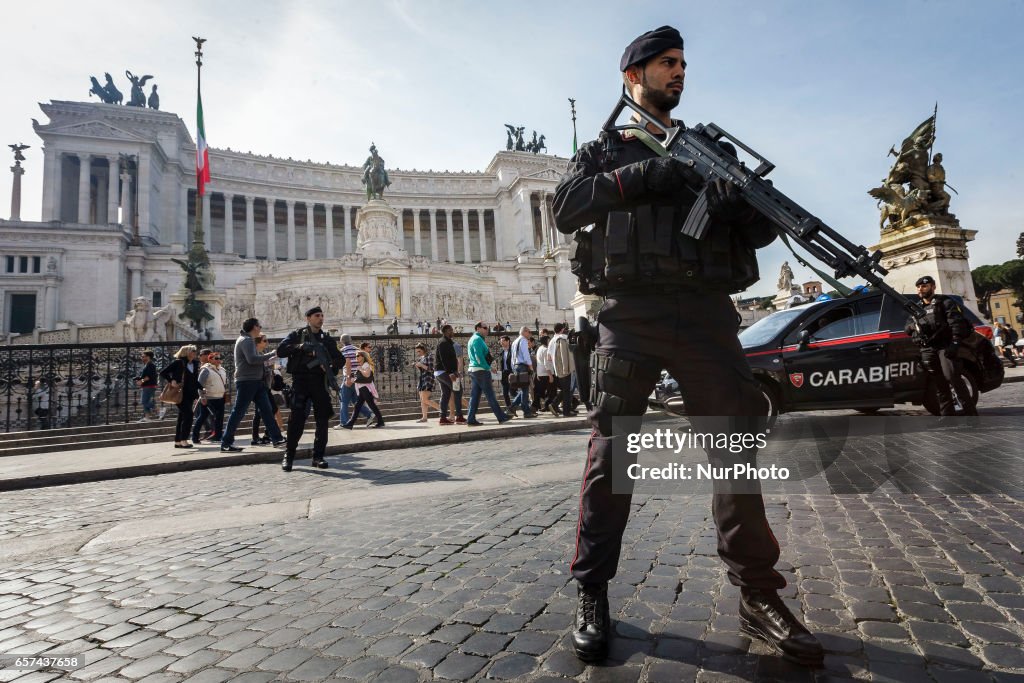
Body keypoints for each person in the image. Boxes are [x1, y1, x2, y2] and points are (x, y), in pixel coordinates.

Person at [551, 26, 821, 667]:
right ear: (632, 77)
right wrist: (646, 175)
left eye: (682, 64)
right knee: (612, 456)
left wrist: (735, 206)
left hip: (704, 312)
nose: (678, 72)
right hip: (630, 313)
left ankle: (758, 595)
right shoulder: (603, 150)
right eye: (665, 64)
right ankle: (592, 590)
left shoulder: (711, 148)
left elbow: (760, 228)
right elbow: (565, 208)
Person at [277, 306, 344, 471]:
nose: (320, 318)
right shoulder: (297, 335)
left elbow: (340, 360)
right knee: (297, 420)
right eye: (317, 315)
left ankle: (318, 456)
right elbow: (281, 350)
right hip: (301, 382)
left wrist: (329, 364)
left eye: (322, 315)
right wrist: (300, 347)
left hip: (320, 383)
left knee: (322, 421)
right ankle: (289, 455)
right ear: (308, 318)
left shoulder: (326, 339)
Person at [904, 275, 980, 418]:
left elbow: (956, 323)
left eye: (925, 286)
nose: (921, 289)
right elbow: (906, 328)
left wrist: (955, 344)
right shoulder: (916, 307)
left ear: (933, 287)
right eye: (919, 287)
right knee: (938, 383)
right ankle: (947, 415)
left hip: (945, 346)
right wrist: (914, 326)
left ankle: (970, 414)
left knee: (953, 378)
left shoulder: (944, 302)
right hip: (928, 349)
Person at [221, 319, 285, 454]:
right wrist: (272, 354)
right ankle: (226, 443)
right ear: (254, 327)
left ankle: (277, 438)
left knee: (267, 411)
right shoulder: (247, 340)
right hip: (248, 381)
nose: (260, 329)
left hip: (255, 381)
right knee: (238, 412)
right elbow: (252, 360)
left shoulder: (245, 339)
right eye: (259, 326)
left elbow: (254, 360)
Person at [465, 321, 511, 426]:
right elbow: (478, 357)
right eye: (485, 328)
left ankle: (471, 419)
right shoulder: (477, 340)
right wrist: (488, 368)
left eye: (487, 328)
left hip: (474, 370)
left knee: (475, 396)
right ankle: (501, 417)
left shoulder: (474, 339)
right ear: (478, 328)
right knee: (490, 394)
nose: (487, 330)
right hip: (481, 371)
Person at [160, 345, 199, 449]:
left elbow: (194, 380)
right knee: (189, 415)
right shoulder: (179, 362)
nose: (195, 353)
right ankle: (184, 440)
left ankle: (178, 441)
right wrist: (171, 380)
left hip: (190, 394)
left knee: (182, 417)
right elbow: (163, 372)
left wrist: (201, 388)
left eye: (195, 351)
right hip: (180, 393)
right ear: (187, 352)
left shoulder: (195, 364)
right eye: (193, 351)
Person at [335, 334, 374, 429]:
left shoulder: (343, 350)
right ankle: (369, 414)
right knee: (355, 400)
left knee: (343, 400)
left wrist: (348, 378)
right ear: (351, 340)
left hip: (349, 377)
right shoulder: (358, 350)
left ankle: (343, 423)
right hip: (358, 378)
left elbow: (347, 363)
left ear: (342, 342)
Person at [250, 335, 282, 444]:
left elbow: (265, 367)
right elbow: (258, 365)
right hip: (260, 386)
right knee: (265, 411)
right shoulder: (256, 354)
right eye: (264, 340)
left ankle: (265, 435)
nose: (267, 342)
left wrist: (272, 364)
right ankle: (259, 437)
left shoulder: (261, 354)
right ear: (258, 343)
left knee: (267, 410)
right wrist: (271, 361)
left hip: (265, 386)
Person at [341, 350, 385, 429]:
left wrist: (360, 369)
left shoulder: (366, 364)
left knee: (370, 405)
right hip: (362, 388)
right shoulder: (362, 365)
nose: (356, 357)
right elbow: (359, 378)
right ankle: (350, 423)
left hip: (365, 388)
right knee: (359, 406)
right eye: (356, 356)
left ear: (363, 357)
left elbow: (367, 375)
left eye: (358, 356)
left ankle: (380, 422)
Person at [191, 351, 228, 444]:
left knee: (219, 418)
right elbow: (199, 384)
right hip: (209, 398)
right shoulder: (206, 370)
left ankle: (218, 436)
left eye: (220, 358)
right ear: (210, 359)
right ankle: (194, 437)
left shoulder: (222, 370)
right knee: (202, 417)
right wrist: (202, 397)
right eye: (216, 358)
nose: (219, 360)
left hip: (220, 397)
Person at [434, 324, 466, 425]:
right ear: (447, 331)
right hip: (445, 372)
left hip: (442, 372)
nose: (453, 332)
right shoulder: (443, 343)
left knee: (446, 394)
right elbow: (444, 359)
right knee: (458, 391)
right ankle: (459, 416)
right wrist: (450, 373)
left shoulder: (448, 342)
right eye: (452, 330)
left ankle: (443, 418)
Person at [549, 323, 577, 417]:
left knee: (565, 389)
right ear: (562, 329)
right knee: (566, 390)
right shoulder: (562, 339)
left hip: (557, 368)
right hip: (564, 369)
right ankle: (566, 411)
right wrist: (566, 368)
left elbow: (549, 357)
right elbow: (564, 355)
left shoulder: (552, 340)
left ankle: (555, 405)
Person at [508, 327, 536, 418]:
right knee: (525, 389)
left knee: (524, 389)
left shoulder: (515, 342)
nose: (530, 334)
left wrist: (513, 367)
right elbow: (526, 354)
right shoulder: (523, 341)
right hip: (523, 366)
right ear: (524, 332)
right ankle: (526, 411)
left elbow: (513, 356)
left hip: (516, 366)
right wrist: (531, 366)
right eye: (529, 332)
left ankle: (512, 407)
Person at [414, 343, 440, 423]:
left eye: (419, 351)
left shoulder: (429, 357)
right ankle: (424, 417)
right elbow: (423, 370)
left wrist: (421, 365)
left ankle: (442, 410)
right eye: (417, 352)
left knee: (425, 399)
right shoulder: (422, 358)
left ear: (423, 349)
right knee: (422, 400)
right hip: (422, 379)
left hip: (428, 380)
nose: (418, 353)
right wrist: (418, 366)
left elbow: (432, 369)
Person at [135, 350, 158, 421]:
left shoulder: (150, 365)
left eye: (143, 356)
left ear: (148, 357)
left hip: (149, 386)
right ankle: (147, 417)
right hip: (147, 386)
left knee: (144, 401)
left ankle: (159, 410)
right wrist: (139, 379)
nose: (141, 358)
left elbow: (148, 377)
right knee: (146, 402)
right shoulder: (148, 365)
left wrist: (141, 382)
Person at [498, 335, 514, 411]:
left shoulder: (512, 351)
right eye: (501, 342)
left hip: (511, 373)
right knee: (505, 393)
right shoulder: (501, 352)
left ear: (508, 341)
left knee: (513, 392)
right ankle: (509, 408)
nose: (502, 343)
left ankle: (524, 403)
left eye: (503, 341)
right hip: (503, 374)